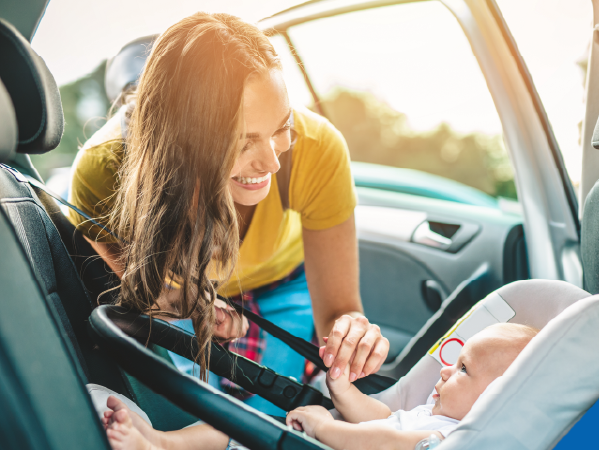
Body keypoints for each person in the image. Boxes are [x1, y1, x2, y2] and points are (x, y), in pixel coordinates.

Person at [66, 12, 389, 414]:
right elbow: (142, 293)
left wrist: (351, 333)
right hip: (181, 294)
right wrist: (187, 304)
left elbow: (340, 311)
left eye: (281, 127)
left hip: (281, 282)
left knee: (271, 414)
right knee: (192, 415)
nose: (272, 162)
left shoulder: (318, 147)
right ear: (180, 139)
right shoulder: (103, 171)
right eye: (241, 141)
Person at [99, 323, 538, 450]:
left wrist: (325, 427)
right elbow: (381, 418)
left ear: (497, 397)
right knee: (231, 423)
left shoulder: (451, 438)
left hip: (319, 442)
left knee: (240, 433)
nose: (444, 372)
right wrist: (343, 391)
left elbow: (384, 442)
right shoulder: (429, 413)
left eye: (463, 370)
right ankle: (161, 442)